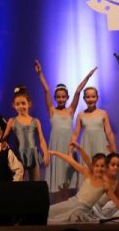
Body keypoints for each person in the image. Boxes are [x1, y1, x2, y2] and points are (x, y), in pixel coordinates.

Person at [35, 60, 96, 201]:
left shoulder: (70, 110)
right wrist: (40, 73)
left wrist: (88, 77)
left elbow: (78, 91)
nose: (61, 99)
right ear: (55, 98)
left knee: (68, 178)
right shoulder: (52, 110)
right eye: (58, 97)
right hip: (56, 145)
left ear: (67, 97)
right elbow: (46, 90)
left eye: (63, 97)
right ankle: (58, 205)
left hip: (68, 145)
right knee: (58, 177)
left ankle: (66, 206)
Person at [47, 147, 119, 223]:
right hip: (73, 202)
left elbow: (117, 201)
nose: (99, 168)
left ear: (106, 167)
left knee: (76, 213)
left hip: (83, 209)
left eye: (102, 166)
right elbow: (72, 161)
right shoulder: (88, 174)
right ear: (93, 166)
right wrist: (55, 153)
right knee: (50, 211)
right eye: (97, 166)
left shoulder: (105, 185)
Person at [3, 85, 50, 181]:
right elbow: (4, 138)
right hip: (19, 155)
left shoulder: (35, 121)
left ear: (29, 104)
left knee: (35, 182)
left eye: (23, 103)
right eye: (17, 104)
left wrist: (45, 153)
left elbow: (41, 139)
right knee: (19, 182)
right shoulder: (12, 121)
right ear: (13, 105)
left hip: (33, 155)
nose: (20, 106)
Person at [70, 87, 116, 158]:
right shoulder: (80, 115)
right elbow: (75, 134)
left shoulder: (103, 113)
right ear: (84, 98)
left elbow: (109, 133)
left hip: (101, 145)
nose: (90, 99)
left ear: (97, 98)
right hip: (87, 145)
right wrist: (70, 150)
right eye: (88, 97)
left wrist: (114, 150)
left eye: (93, 97)